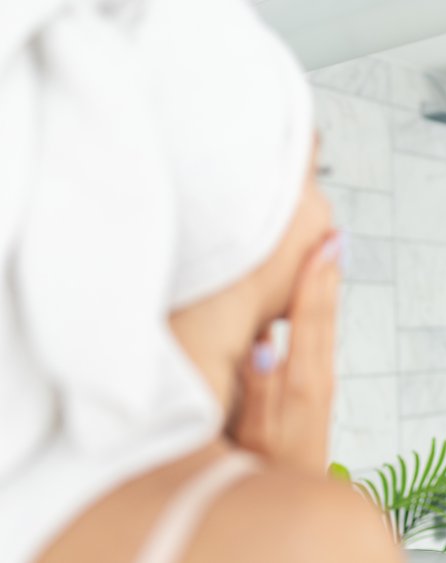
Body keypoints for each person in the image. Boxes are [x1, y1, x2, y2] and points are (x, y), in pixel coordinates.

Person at [0, 1, 400, 561]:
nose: (329, 212)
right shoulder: (306, 534)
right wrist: (292, 493)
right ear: (244, 211)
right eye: (315, 174)